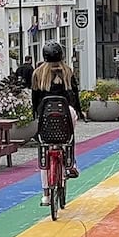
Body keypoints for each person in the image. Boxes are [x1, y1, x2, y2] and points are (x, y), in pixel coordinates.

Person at [31, 41, 80, 206]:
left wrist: (35, 114)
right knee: (70, 136)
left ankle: (45, 194)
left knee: (45, 150)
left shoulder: (38, 73)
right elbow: (75, 94)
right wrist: (79, 111)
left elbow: (35, 98)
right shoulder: (67, 72)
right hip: (66, 112)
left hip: (45, 115)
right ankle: (71, 162)